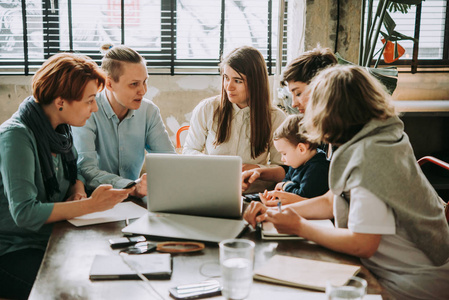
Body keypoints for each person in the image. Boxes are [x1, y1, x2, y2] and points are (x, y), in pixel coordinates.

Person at [244, 65, 449, 300]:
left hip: (411, 281)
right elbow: (331, 200)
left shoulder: (371, 158)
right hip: (394, 270)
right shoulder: (375, 138)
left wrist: (299, 226)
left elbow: (363, 244)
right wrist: (275, 212)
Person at [0, 53, 131, 300]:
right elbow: (24, 213)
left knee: (110, 273)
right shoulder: (16, 136)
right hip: (12, 250)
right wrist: (89, 205)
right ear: (61, 102)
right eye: (90, 100)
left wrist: (77, 189)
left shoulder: (60, 130)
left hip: (49, 238)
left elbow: (74, 172)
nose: (94, 107)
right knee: (76, 292)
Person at [72, 44, 175, 198]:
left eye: (144, 82)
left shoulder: (149, 111)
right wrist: (131, 187)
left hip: (133, 202)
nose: (143, 91)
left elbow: (168, 161)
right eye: (134, 84)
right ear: (109, 83)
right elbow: (86, 169)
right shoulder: (88, 110)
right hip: (93, 200)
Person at [242, 46, 336, 192]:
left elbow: (329, 202)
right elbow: (295, 170)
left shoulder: (345, 137)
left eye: (298, 93)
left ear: (322, 87)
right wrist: (259, 173)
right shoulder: (317, 131)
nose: (293, 103)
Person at [183, 46, 286, 172]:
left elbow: (283, 169)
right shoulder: (207, 109)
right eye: (226, 78)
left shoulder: (276, 118)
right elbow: (189, 151)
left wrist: (257, 170)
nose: (228, 87)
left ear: (256, 83)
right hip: (212, 188)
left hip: (254, 190)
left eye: (238, 81)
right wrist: (212, 165)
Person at [244, 114, 329, 207]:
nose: (282, 159)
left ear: (301, 149)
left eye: (284, 153)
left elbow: (301, 196)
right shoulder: (297, 163)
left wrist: (285, 186)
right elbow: (284, 182)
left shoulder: (318, 168)